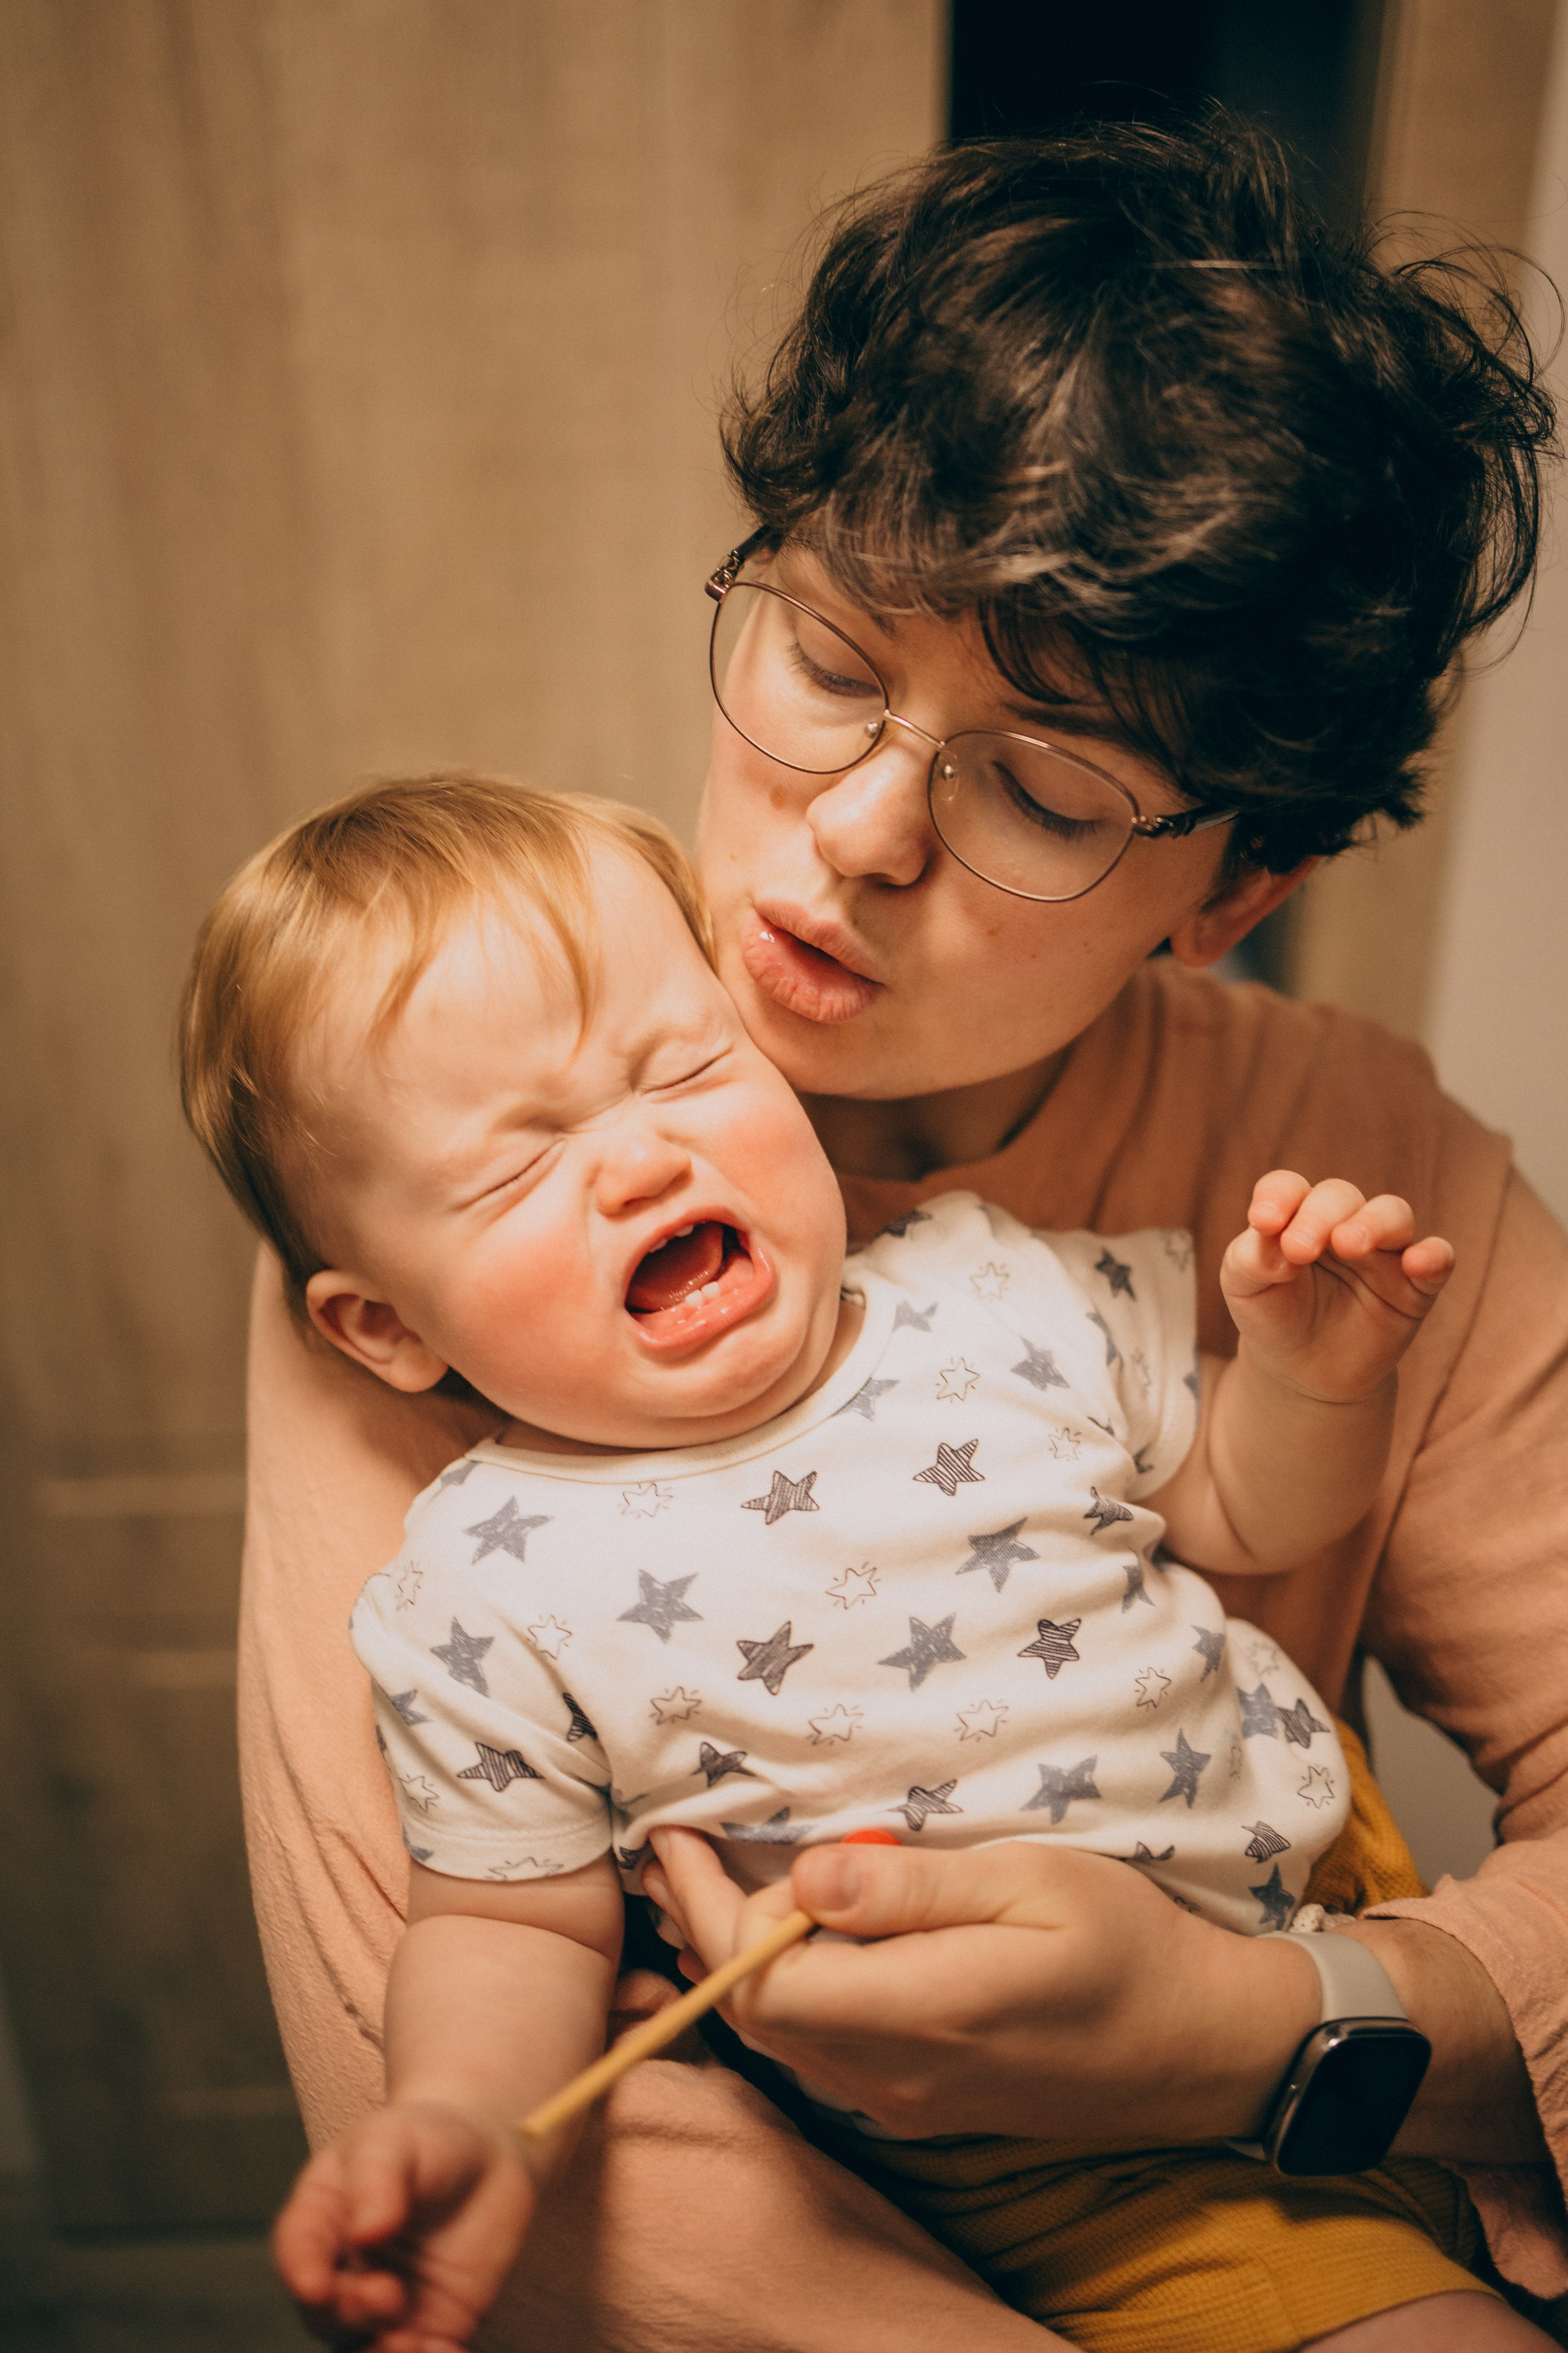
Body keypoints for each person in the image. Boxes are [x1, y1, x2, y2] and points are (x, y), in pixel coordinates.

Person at [236, 122, 1567, 2351]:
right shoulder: (445, 1153)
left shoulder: (1355, 1162)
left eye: (1046, 793)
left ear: (1232, 891)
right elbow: (446, 2008)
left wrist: (1257, 2027)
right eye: (831, 662)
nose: (851, 837)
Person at [183, 770, 1467, 2347]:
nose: (637, 1162)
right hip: (1072, 2163)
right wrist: (459, 2116)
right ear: (384, 1328)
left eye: (686, 1066)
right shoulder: (479, 1588)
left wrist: (1309, 1383)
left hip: (1343, 1916)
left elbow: (1245, 1515)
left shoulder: (995, 1290)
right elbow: (510, 1924)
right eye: (517, 1167)